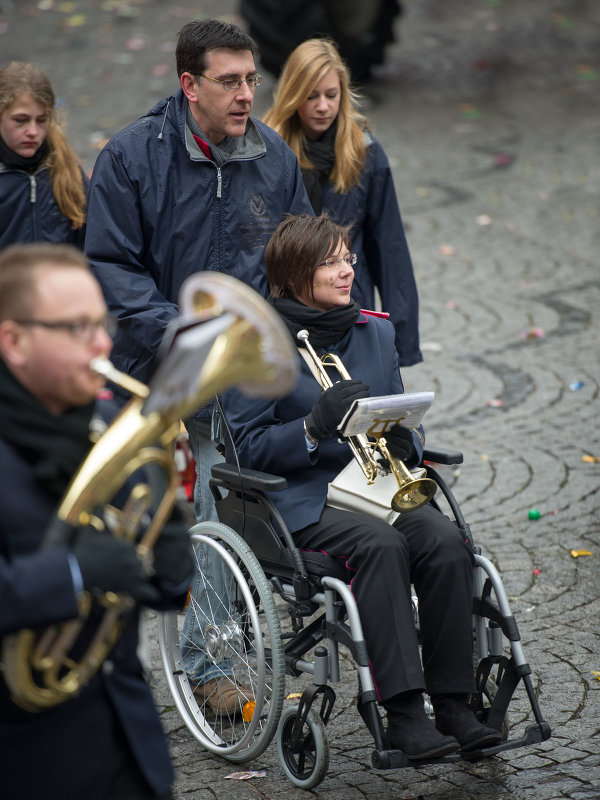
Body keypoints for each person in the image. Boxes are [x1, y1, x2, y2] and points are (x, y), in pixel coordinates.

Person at [84, 18, 312, 712]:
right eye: (230, 82)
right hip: (152, 369)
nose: (247, 95)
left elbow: (293, 254)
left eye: (252, 79)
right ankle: (98, 657)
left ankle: (213, 662)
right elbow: (109, 264)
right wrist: (184, 338)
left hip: (237, 372)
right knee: (144, 518)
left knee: (224, 499)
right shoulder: (130, 157)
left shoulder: (273, 157)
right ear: (189, 86)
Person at [221, 214, 502, 758]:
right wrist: (309, 427)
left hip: (375, 485)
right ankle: (401, 713)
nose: (346, 270)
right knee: (381, 546)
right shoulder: (256, 346)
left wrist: (405, 444)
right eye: (329, 262)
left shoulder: (377, 330)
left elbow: (401, 416)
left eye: (347, 258)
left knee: (445, 544)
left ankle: (454, 704)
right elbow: (247, 447)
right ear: (295, 274)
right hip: (304, 497)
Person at [0, 242, 194, 800]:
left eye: (102, 323)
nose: (104, 344)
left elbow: (151, 587)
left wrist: (169, 558)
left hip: (126, 748)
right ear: (14, 341)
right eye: (78, 329)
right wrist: (73, 576)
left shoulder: (110, 423)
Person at [263, 38, 421, 367]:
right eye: (311, 96)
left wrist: (400, 345)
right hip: (285, 319)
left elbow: (389, 249)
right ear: (293, 94)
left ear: (343, 93)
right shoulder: (267, 151)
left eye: (331, 95)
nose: (323, 106)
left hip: (349, 312)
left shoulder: (365, 152)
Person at [0, 62, 87, 249]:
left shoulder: (68, 172)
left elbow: (95, 246)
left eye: (41, 120)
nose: (32, 131)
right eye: (20, 120)